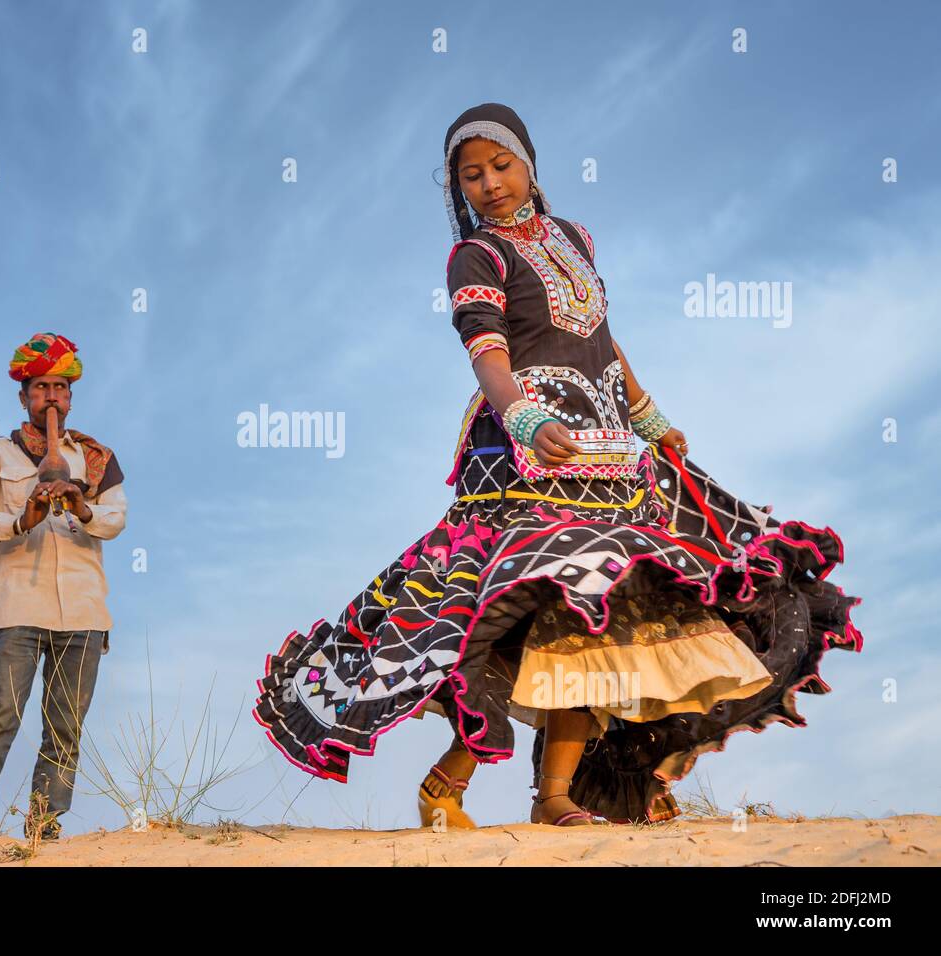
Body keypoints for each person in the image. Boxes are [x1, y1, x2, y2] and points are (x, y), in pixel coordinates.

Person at [254, 103, 863, 827]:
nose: (489, 184)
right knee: (518, 607)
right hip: (521, 462)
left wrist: (649, 416)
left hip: (608, 456)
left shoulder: (576, 238)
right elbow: (486, 351)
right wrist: (522, 416)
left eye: (500, 166)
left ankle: (550, 795)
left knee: (610, 609)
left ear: (530, 163)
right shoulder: (475, 257)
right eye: (470, 176)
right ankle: (479, 786)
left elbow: (603, 339)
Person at [0, 332, 126, 841]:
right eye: (40, 387)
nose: (50, 396)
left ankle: (43, 827)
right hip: (18, 606)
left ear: (70, 397)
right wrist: (21, 520)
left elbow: (116, 519)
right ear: (24, 396)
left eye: (59, 387)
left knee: (65, 723)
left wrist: (81, 506)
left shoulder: (94, 458)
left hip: (84, 611)